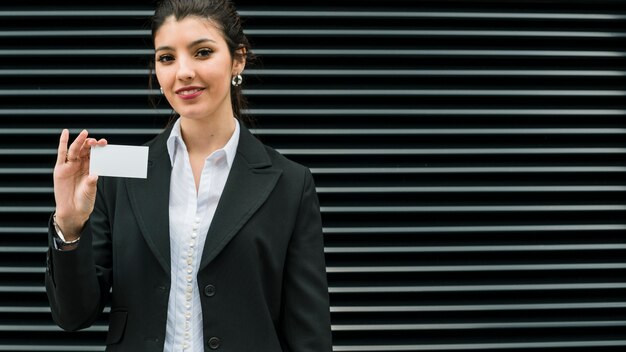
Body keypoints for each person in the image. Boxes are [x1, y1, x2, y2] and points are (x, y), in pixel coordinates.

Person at [45, 0, 333, 350]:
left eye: (202, 52)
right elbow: (73, 315)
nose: (182, 72)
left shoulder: (289, 182)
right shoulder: (120, 167)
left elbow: (309, 336)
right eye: (167, 57)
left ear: (238, 59)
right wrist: (70, 227)